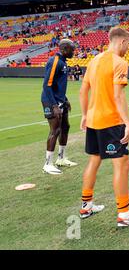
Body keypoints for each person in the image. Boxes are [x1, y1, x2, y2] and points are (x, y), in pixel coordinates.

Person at [79, 26, 129, 227]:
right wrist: (128, 122)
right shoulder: (119, 62)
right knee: (122, 164)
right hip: (111, 122)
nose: (128, 47)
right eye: (128, 43)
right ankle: (124, 214)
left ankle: (86, 206)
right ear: (121, 42)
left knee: (94, 160)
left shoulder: (93, 61)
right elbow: (118, 96)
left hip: (93, 120)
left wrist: (85, 114)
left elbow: (83, 90)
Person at [41, 39, 78, 175]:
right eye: (71, 49)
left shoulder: (63, 62)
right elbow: (47, 85)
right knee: (55, 131)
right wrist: (54, 105)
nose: (74, 52)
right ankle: (47, 164)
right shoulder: (55, 61)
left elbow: (59, 85)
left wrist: (65, 100)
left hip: (60, 101)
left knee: (65, 127)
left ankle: (61, 158)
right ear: (64, 49)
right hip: (51, 102)